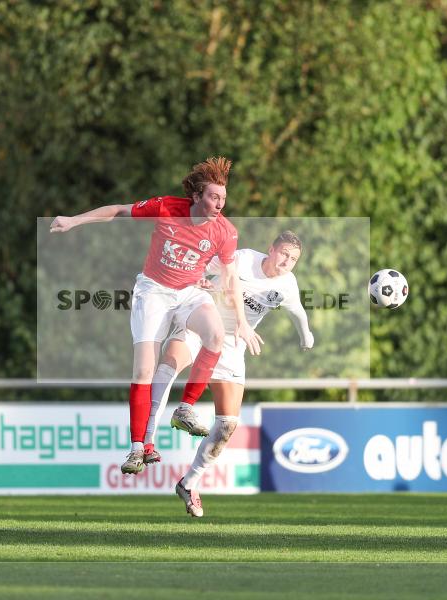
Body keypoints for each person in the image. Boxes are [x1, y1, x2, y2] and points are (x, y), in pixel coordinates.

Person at [49, 157, 263, 474]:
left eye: (223, 198)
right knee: (143, 370)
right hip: (153, 291)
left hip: (189, 292)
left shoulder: (225, 232)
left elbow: (230, 278)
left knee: (215, 335)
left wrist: (243, 323)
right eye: (213, 197)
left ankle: (186, 408)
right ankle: (137, 449)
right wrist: (73, 221)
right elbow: (120, 210)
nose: (219, 204)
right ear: (197, 196)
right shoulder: (166, 207)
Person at [143, 231, 314, 517]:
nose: (287, 261)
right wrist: (195, 281)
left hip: (233, 345)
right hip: (202, 324)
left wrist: (306, 335)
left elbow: (297, 311)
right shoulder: (244, 258)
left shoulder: (287, 284)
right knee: (170, 364)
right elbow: (200, 263)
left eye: (293, 258)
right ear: (271, 249)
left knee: (227, 425)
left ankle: (189, 484)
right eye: (284, 253)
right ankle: (144, 441)